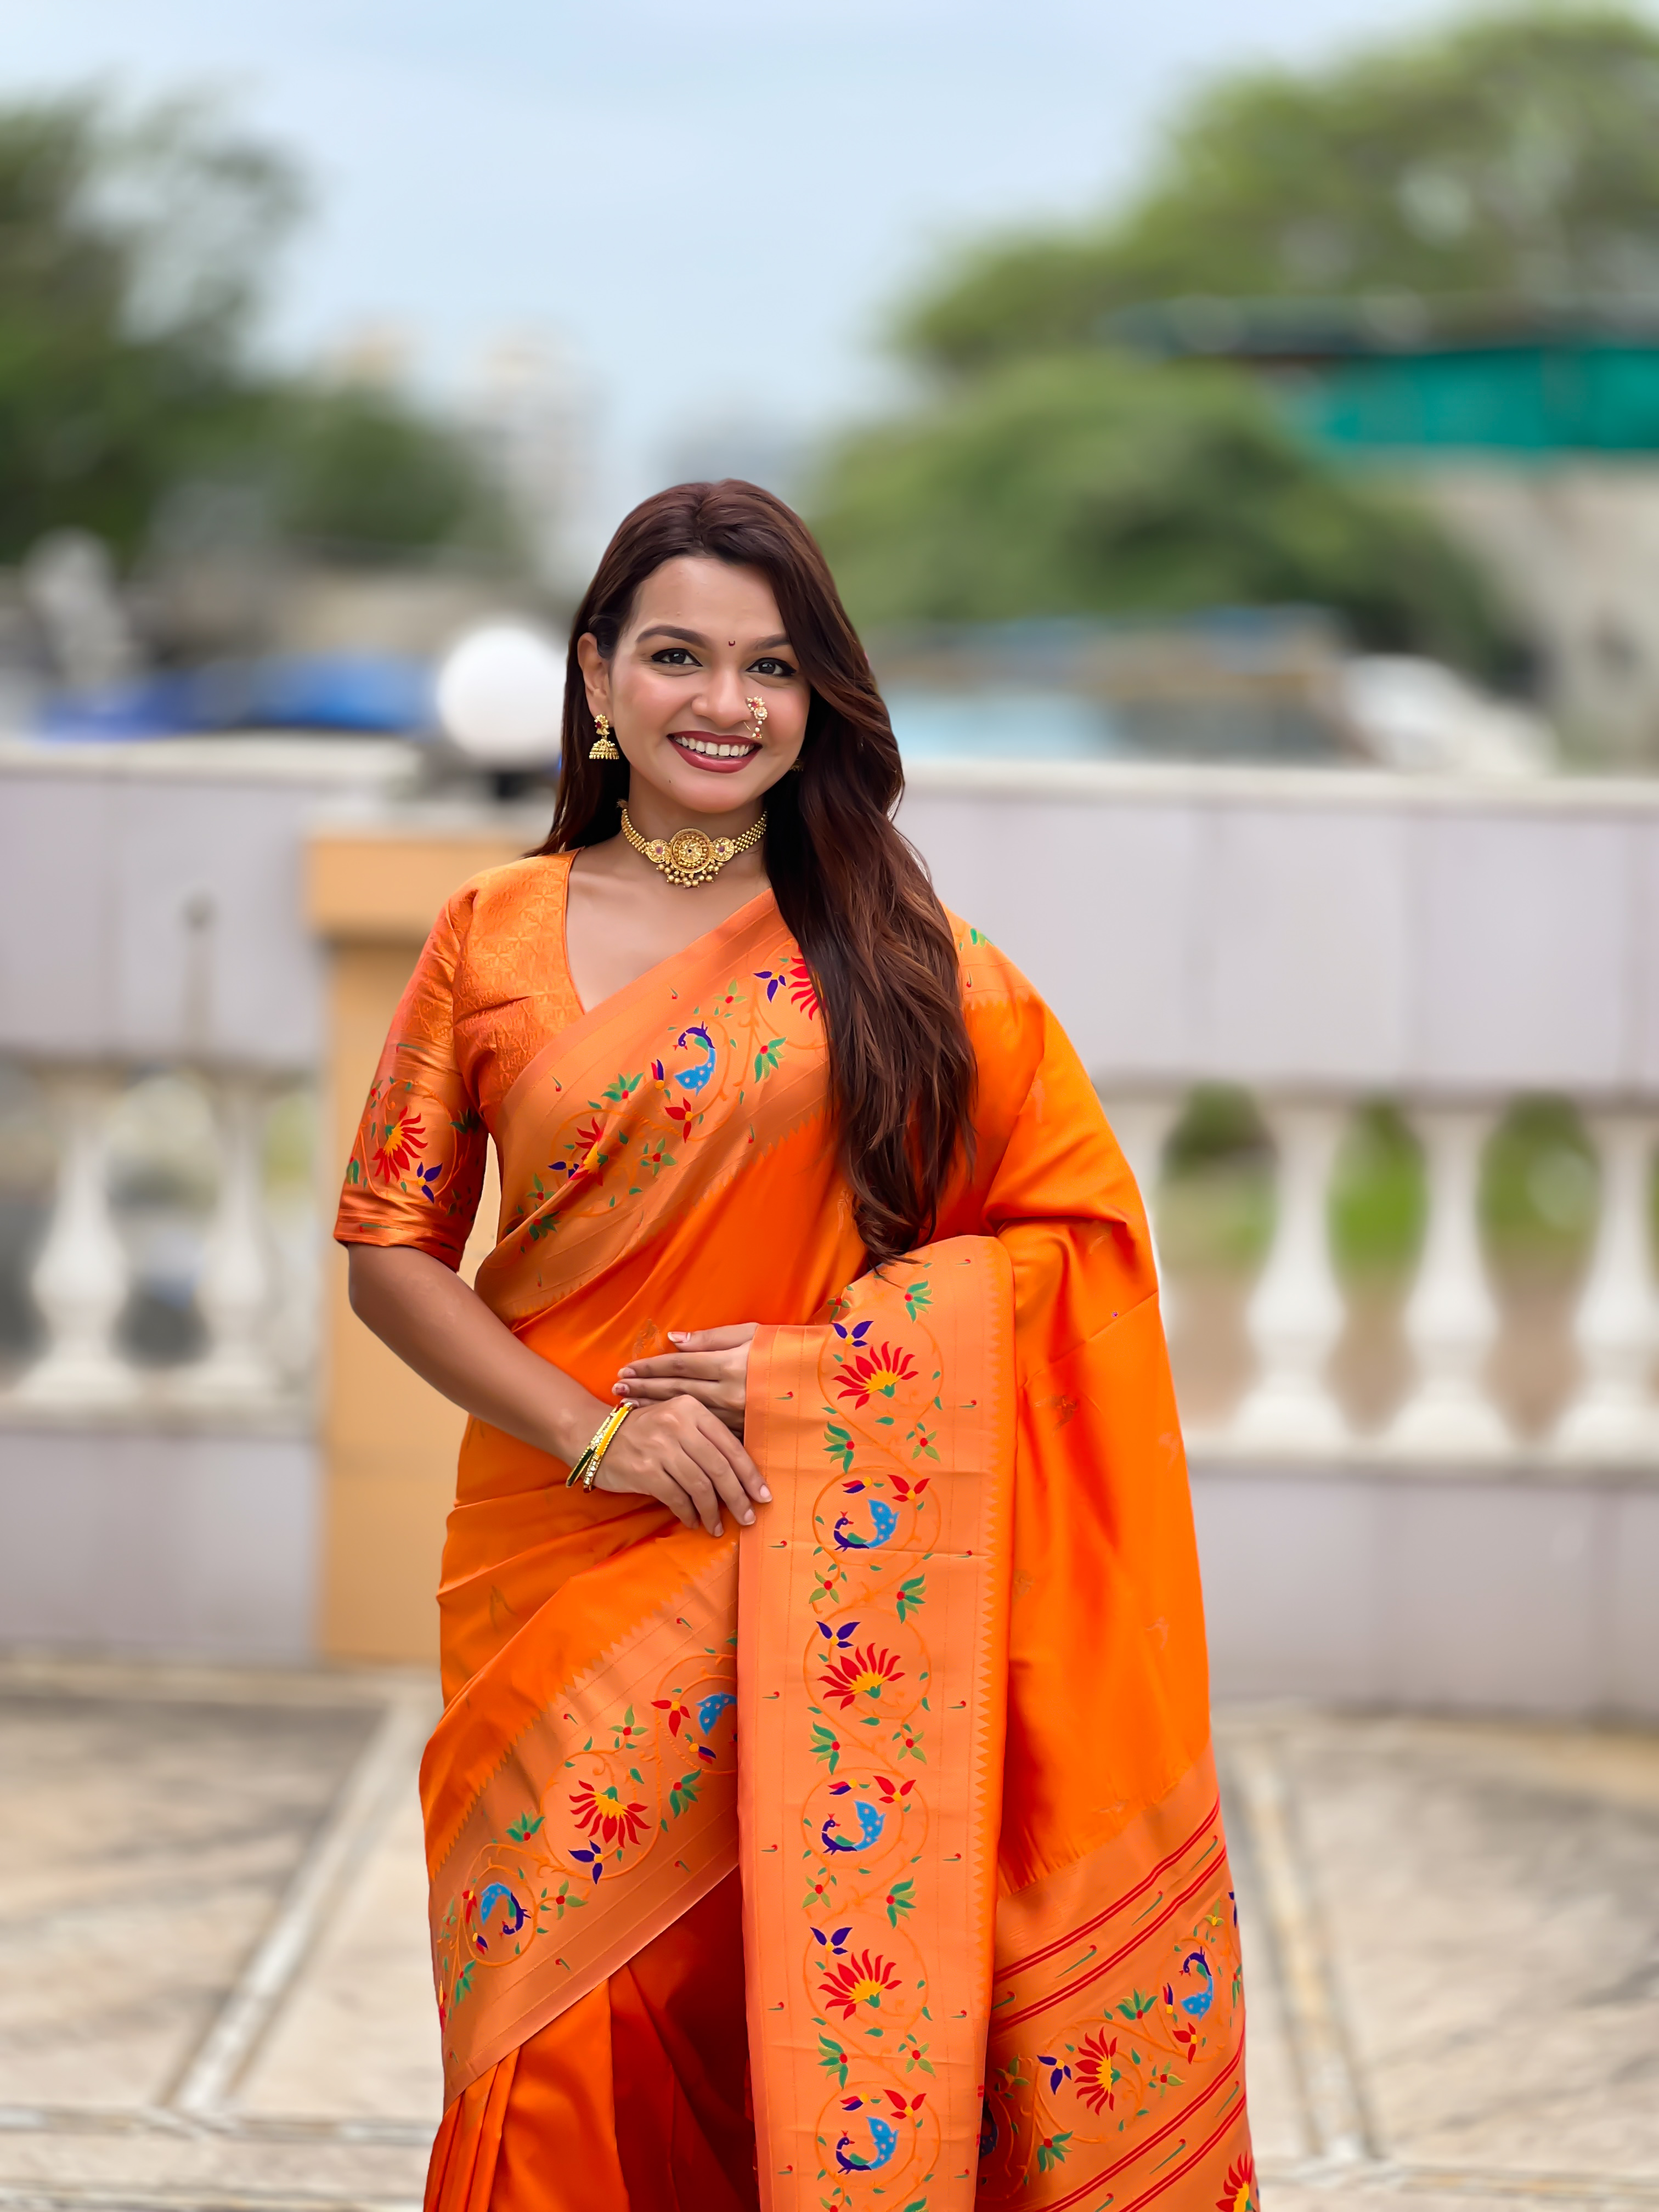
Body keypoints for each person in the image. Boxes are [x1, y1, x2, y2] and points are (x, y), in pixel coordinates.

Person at [336, 481, 1254, 2212]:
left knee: (779, 2038)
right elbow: (390, 1250)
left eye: (770, 667)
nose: (725, 703)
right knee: (548, 2047)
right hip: (551, 1556)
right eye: (677, 656)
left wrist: (826, 1385)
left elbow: (1078, 1249)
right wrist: (597, 1431)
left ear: (818, 696)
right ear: (597, 676)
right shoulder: (490, 936)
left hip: (807, 1560)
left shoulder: (906, 966)